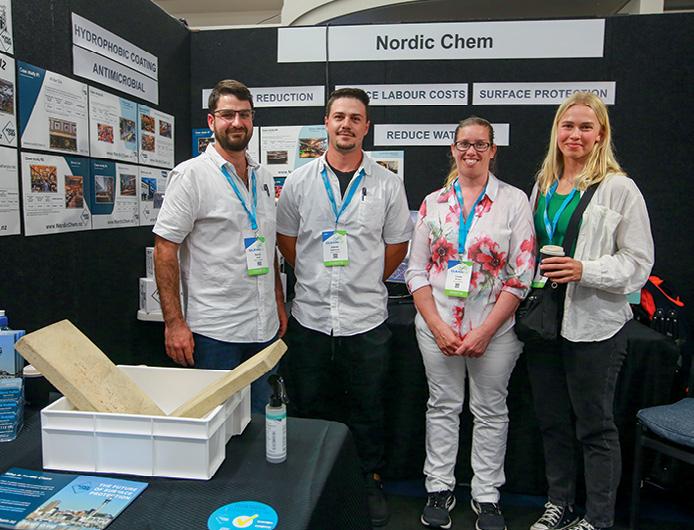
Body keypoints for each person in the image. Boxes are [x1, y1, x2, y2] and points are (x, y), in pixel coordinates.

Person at [275, 87, 413, 527]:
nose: (346, 125)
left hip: (365, 320)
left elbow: (397, 245)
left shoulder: (387, 183)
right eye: (339, 117)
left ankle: (368, 481)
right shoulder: (299, 181)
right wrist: (314, 275)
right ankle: (309, 485)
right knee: (310, 407)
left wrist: (364, 278)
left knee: (368, 410)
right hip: (311, 317)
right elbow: (286, 241)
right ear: (326, 123)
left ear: (366, 126)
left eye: (355, 118)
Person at [526, 93, 654, 530]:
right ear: (556, 132)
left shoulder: (619, 188)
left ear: (601, 134)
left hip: (595, 326)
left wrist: (585, 270)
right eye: (568, 126)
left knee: (595, 427)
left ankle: (598, 519)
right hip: (544, 324)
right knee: (552, 423)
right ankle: (558, 504)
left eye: (585, 127)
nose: (575, 135)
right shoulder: (544, 185)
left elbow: (638, 263)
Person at [405, 117, 535, 530]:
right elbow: (416, 271)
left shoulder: (513, 202)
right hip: (438, 328)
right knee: (442, 406)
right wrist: (437, 326)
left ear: (493, 150)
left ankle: (487, 496)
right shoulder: (434, 202)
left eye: (480, 144)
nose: (471, 152)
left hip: (494, 332)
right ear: (453, 149)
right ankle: (439, 488)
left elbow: (522, 274)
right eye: (464, 144)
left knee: (491, 411)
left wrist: (485, 331)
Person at [153, 79, 287, 413]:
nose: (237, 122)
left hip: (264, 328)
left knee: (263, 421)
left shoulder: (263, 177)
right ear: (212, 121)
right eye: (228, 115)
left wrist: (278, 301)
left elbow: (266, 244)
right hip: (216, 334)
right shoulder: (190, 176)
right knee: (220, 426)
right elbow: (165, 249)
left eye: (244, 114)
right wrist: (174, 323)